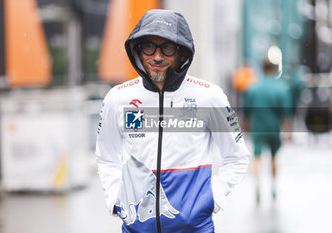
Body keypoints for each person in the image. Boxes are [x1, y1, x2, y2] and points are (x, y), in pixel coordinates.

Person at [96, 9, 250, 233]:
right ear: (138, 50)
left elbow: (237, 156)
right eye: (149, 46)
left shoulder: (209, 96)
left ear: (182, 54)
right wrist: (115, 200)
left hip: (195, 228)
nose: (157, 56)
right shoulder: (117, 98)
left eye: (167, 48)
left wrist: (213, 197)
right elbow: (106, 157)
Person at [242, 58, 292, 203]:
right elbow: (286, 112)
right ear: (274, 69)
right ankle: (273, 186)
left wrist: (245, 128)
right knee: (274, 157)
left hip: (258, 128)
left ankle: (257, 185)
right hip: (274, 128)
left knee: (256, 157)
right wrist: (288, 130)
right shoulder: (281, 87)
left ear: (262, 68)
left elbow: (246, 111)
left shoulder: (253, 87)